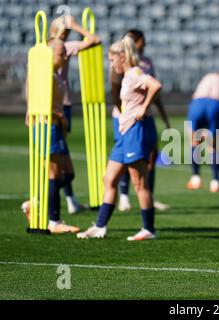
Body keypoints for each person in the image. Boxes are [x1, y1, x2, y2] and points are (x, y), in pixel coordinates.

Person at [77, 36, 162, 240]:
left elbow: (155, 85)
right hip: (125, 134)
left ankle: (149, 229)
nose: (111, 63)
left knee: (139, 182)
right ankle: (100, 226)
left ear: (122, 57)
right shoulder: (126, 76)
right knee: (109, 179)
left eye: (112, 59)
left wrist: (143, 106)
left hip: (135, 131)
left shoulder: (134, 73)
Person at [23, 39, 80, 234]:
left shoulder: (55, 75)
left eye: (65, 52)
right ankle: (54, 221)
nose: (65, 56)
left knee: (68, 174)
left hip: (55, 127)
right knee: (54, 174)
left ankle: (36, 201)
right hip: (49, 127)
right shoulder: (46, 75)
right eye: (60, 53)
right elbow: (40, 106)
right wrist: (60, 116)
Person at [110, 29, 171, 212]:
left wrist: (161, 115)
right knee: (128, 159)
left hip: (143, 116)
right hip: (126, 116)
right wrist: (124, 113)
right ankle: (124, 197)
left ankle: (148, 198)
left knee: (149, 157)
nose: (144, 46)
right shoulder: (120, 62)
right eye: (141, 42)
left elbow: (154, 91)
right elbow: (114, 89)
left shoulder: (145, 63)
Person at [49, 16, 101, 214]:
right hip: (61, 104)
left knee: (58, 154)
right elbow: (94, 40)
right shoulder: (63, 46)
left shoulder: (44, 46)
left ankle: (68, 199)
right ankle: (60, 200)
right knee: (60, 155)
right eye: (67, 31)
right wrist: (79, 27)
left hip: (52, 104)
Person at [186, 69, 219, 192]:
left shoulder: (208, 76)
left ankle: (195, 179)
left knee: (194, 142)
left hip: (197, 104)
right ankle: (215, 182)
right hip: (215, 105)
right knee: (212, 146)